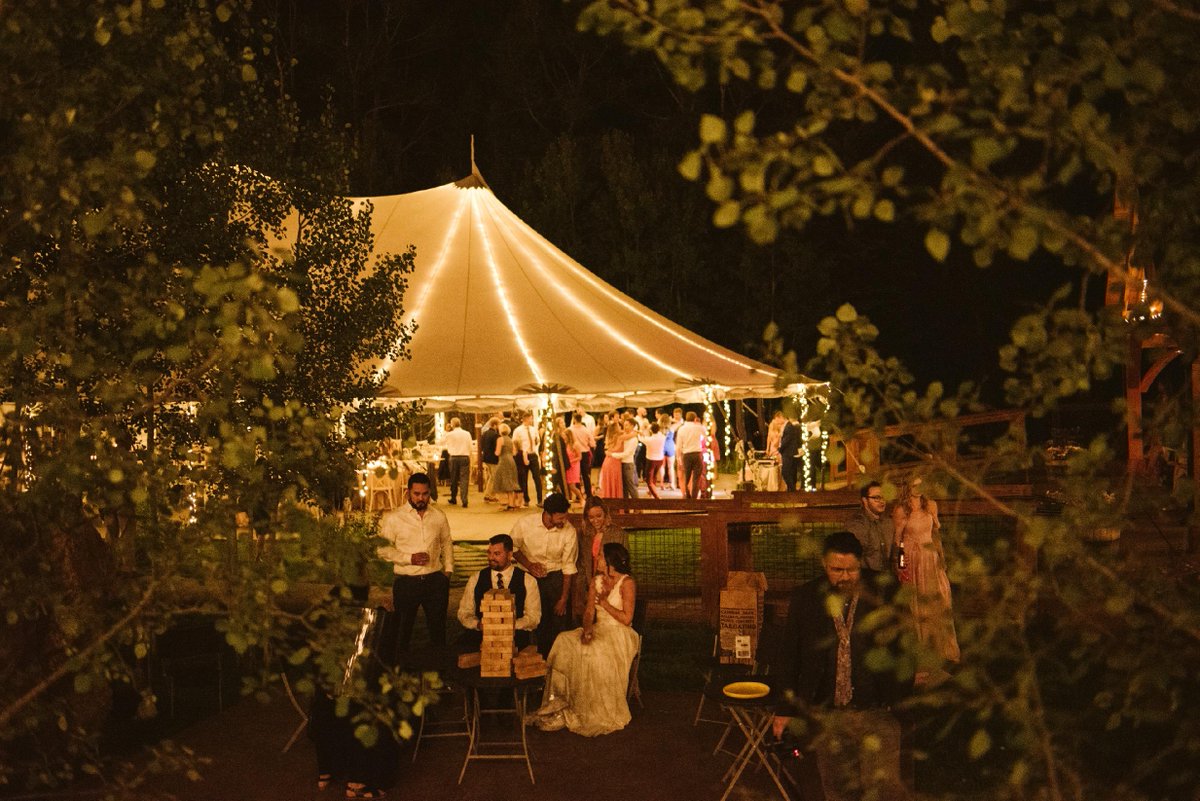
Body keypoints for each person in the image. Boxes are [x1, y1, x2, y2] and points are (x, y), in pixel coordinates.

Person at [773, 531, 911, 801]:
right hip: (828, 711)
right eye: (837, 570)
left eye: (851, 570)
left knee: (883, 790)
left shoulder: (885, 591)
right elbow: (790, 654)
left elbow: (905, 647)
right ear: (824, 565)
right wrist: (784, 709)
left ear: (861, 564)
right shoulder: (806, 597)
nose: (844, 577)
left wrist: (900, 699)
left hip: (877, 709)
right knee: (837, 787)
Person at [530, 542, 640, 736]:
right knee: (565, 641)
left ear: (610, 562)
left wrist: (605, 604)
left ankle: (594, 709)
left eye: (600, 558)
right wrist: (587, 629)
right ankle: (560, 701)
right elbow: (589, 612)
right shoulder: (596, 581)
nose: (596, 560)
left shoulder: (627, 583)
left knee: (594, 651)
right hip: (600, 628)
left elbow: (627, 618)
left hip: (620, 633)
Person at [376, 473, 453, 657]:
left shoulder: (438, 516)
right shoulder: (395, 518)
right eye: (416, 494)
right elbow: (382, 550)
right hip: (406, 582)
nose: (421, 498)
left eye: (425, 494)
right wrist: (409, 558)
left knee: (438, 631)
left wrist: (448, 571)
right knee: (402, 631)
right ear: (408, 493)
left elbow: (447, 542)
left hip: (435, 581)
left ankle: (439, 675)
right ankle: (400, 674)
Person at [892, 477, 960, 665]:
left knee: (940, 597)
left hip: (931, 556)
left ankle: (942, 648)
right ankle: (920, 651)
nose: (919, 488)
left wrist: (942, 558)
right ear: (908, 486)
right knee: (918, 603)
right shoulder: (901, 509)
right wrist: (901, 564)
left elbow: (935, 534)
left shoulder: (930, 505)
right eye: (915, 484)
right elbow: (898, 541)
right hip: (913, 558)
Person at [511, 493, 578, 651]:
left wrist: (563, 598)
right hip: (528, 575)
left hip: (556, 576)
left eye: (565, 517)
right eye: (560, 518)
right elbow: (513, 548)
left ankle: (555, 654)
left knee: (558, 619)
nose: (564, 521)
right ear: (548, 514)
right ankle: (528, 652)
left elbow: (568, 566)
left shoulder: (569, 531)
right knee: (530, 615)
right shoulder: (525, 523)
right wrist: (529, 565)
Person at [456, 534, 541, 650]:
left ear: (510, 555)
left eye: (497, 554)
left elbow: (534, 617)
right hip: (481, 641)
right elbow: (464, 612)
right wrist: (478, 624)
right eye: (489, 553)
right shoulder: (476, 578)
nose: (491, 558)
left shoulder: (528, 580)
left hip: (516, 641)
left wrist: (510, 625)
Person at [572, 496, 627, 621]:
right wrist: (581, 591)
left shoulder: (618, 534)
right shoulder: (582, 534)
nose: (595, 520)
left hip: (610, 585)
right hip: (587, 585)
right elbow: (580, 564)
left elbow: (624, 566)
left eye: (599, 516)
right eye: (591, 517)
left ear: (605, 514)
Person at [845, 481, 893, 572]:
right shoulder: (858, 524)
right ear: (865, 500)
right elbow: (852, 557)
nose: (882, 501)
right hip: (866, 579)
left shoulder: (888, 522)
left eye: (883, 497)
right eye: (876, 498)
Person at [512, 412, 543, 508]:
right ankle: (526, 499)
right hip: (523, 454)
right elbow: (514, 442)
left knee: (537, 477)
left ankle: (540, 499)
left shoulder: (533, 430)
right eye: (530, 418)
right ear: (525, 419)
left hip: (533, 454)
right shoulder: (518, 430)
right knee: (523, 478)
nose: (532, 420)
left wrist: (537, 441)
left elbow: (538, 440)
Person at [491, 423, 522, 510]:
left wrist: (495, 453)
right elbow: (514, 452)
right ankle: (511, 503)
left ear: (500, 431)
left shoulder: (500, 439)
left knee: (501, 480)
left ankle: (506, 502)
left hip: (503, 460)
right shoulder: (511, 440)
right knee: (510, 481)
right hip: (511, 461)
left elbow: (497, 452)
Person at [674, 411, 705, 499]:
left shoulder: (682, 429)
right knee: (696, 477)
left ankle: (687, 495)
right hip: (697, 454)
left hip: (686, 455)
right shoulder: (699, 427)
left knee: (686, 476)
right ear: (695, 418)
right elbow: (706, 436)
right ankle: (694, 497)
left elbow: (678, 445)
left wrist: (678, 457)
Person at [443, 417, 473, 508]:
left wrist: (446, 431)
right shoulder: (467, 433)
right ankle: (464, 500)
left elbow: (440, 442)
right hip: (464, 456)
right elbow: (470, 446)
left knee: (454, 479)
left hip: (454, 457)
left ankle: (453, 498)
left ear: (452, 425)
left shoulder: (449, 434)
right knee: (464, 479)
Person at [597, 415, 626, 499]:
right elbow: (631, 435)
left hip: (607, 461)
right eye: (618, 427)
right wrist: (637, 432)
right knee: (614, 483)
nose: (620, 428)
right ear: (616, 429)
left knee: (608, 484)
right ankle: (615, 504)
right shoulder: (620, 437)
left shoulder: (610, 437)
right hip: (614, 462)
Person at [569, 411, 596, 497]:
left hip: (574, 454)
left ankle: (578, 494)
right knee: (585, 475)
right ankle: (589, 494)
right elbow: (592, 443)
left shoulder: (570, 430)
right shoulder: (586, 430)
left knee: (576, 475)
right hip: (584, 454)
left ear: (574, 420)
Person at [778, 410, 802, 492]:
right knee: (792, 471)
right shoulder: (794, 426)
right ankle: (790, 489)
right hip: (793, 452)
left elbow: (786, 440)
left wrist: (780, 449)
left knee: (785, 472)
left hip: (788, 452)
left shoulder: (789, 426)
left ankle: (792, 489)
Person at [617, 417, 640, 499]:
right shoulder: (626, 436)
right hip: (622, 463)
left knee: (630, 486)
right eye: (624, 425)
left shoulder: (634, 439)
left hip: (628, 464)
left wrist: (612, 455)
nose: (625, 427)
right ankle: (626, 507)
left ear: (632, 426)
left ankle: (638, 508)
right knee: (624, 487)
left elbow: (627, 453)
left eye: (627, 425)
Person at [479, 417, 501, 502]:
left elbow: (481, 445)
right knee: (493, 477)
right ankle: (489, 495)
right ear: (495, 425)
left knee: (491, 477)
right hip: (493, 459)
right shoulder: (495, 435)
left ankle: (488, 494)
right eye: (498, 425)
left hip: (486, 458)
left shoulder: (485, 434)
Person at [563, 426, 585, 506]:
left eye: (565, 435)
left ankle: (581, 498)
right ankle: (574, 498)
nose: (564, 437)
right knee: (569, 485)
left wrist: (571, 461)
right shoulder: (566, 444)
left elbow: (580, 457)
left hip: (574, 466)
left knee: (572, 486)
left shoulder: (575, 444)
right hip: (568, 466)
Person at [643, 422, 666, 499]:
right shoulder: (662, 437)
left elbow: (641, 438)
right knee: (654, 476)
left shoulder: (649, 440)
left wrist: (642, 431)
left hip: (651, 460)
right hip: (660, 459)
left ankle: (656, 496)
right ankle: (652, 492)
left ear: (651, 430)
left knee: (649, 480)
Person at [660, 412, 678, 491]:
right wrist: (672, 419)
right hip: (670, 446)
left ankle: (661, 483)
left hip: (662, 446)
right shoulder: (672, 427)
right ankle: (672, 484)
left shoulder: (659, 428)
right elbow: (681, 422)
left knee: (662, 466)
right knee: (671, 467)